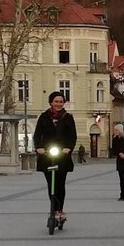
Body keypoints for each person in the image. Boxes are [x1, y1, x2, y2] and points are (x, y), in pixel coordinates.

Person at [33, 91, 77, 223]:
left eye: (61, 102)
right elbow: (37, 134)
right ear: (51, 102)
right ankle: (54, 209)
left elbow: (72, 136)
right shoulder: (44, 117)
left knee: (60, 184)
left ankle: (60, 209)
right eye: (56, 101)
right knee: (51, 184)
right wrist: (38, 147)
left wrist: (68, 148)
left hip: (62, 156)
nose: (58, 104)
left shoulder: (67, 117)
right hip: (47, 154)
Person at [111, 124, 124, 201]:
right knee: (121, 178)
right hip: (120, 161)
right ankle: (122, 195)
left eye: (116, 130)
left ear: (119, 131)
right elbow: (114, 150)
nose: (114, 131)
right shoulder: (115, 139)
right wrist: (119, 153)